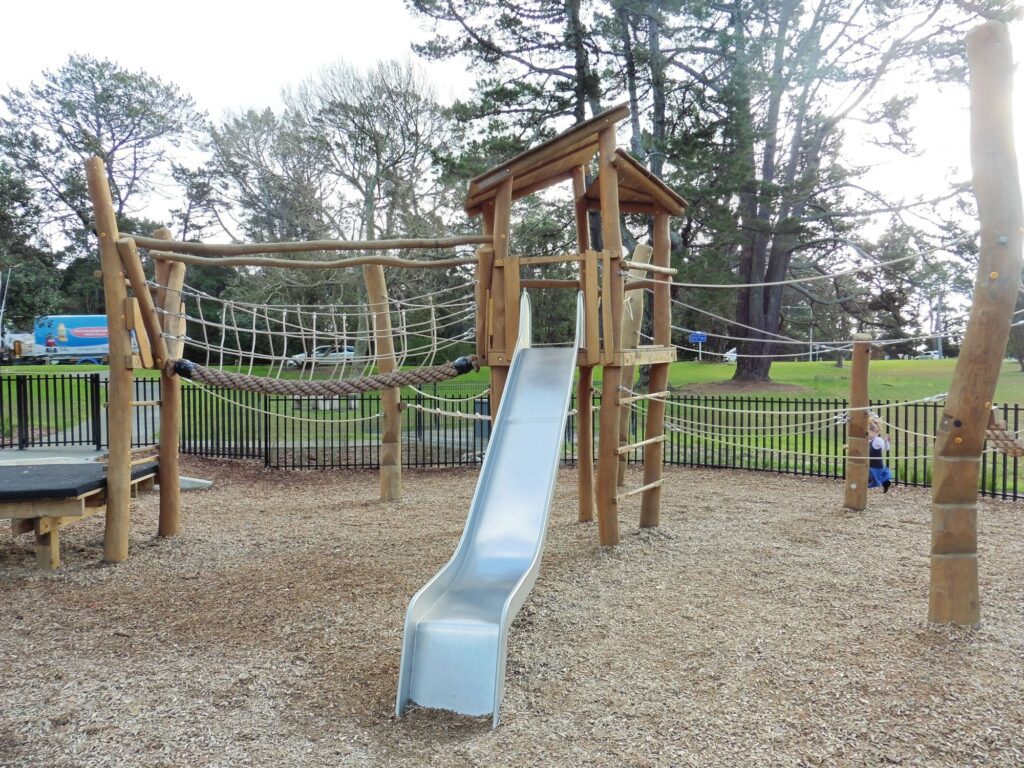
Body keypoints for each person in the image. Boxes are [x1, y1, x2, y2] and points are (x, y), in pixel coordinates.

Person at [867, 417, 892, 493]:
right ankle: (886, 483)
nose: (867, 433)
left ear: (876, 431)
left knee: (873, 481)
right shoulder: (868, 440)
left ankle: (884, 483)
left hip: (876, 467)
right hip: (871, 465)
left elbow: (886, 448)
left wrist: (885, 441)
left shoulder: (878, 440)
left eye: (869, 431)